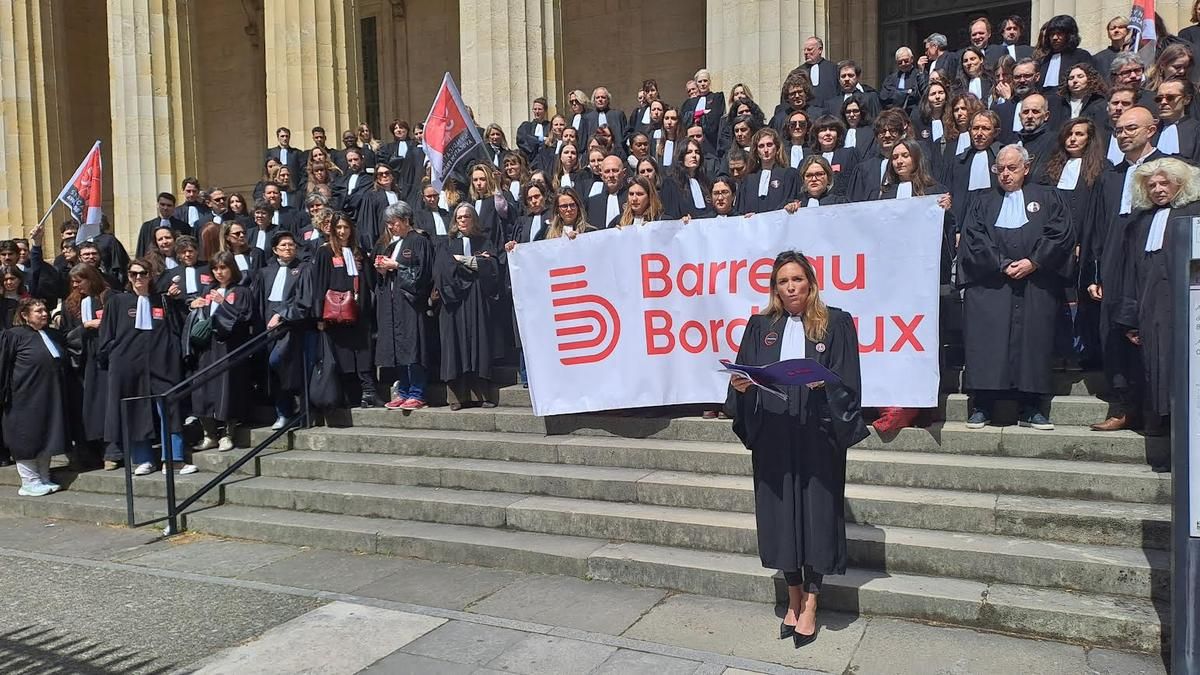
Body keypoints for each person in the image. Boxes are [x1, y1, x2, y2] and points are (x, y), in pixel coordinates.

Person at [725, 250, 867, 648]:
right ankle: (792, 595)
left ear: (811, 283)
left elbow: (849, 382)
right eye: (783, 281)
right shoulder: (760, 326)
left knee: (817, 515)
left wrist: (826, 384)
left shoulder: (836, 322)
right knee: (780, 515)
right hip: (773, 433)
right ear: (775, 287)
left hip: (818, 432)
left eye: (797, 280)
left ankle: (811, 603)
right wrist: (741, 387)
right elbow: (744, 374)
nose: (791, 288)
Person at [958, 145, 1073, 431]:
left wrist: (1034, 261)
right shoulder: (982, 201)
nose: (1005, 174)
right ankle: (983, 405)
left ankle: (1032, 407)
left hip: (1036, 282)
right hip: (991, 284)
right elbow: (974, 238)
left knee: (1034, 343)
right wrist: (1002, 263)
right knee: (987, 343)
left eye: (1012, 168)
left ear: (1026, 168)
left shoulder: (1048, 197)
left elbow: (1060, 233)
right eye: (1000, 169)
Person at [1117, 158, 1200, 448]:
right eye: (1151, 185)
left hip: (1187, 306)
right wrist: (1130, 319)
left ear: (1181, 183)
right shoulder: (1140, 222)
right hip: (1150, 307)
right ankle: (1160, 426)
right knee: (1155, 366)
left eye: (1164, 183)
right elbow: (1130, 271)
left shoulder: (1194, 213)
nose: (1158, 189)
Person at [98, 258, 196, 475]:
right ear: (128, 276)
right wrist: (116, 356)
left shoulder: (162, 300)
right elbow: (106, 336)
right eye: (133, 274)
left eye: (143, 273)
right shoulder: (117, 302)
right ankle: (143, 459)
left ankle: (173, 458)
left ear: (150, 276)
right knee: (135, 410)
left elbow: (178, 327)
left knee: (169, 408)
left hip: (162, 362)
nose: (138, 278)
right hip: (128, 364)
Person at [1, 297, 72, 496]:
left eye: (44, 310)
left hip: (50, 396)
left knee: (47, 435)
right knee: (27, 438)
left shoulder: (52, 334)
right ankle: (29, 481)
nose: (44, 314)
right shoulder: (13, 336)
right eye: (38, 311)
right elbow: (3, 366)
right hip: (23, 398)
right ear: (25, 315)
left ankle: (44, 476)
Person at [435, 204, 500, 409]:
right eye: (459, 217)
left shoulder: (485, 242)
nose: (463, 220)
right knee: (455, 346)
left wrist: (463, 261)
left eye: (467, 216)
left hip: (477, 299)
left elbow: (492, 266)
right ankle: (457, 398)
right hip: (454, 302)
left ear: (474, 219)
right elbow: (443, 270)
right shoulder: (446, 244)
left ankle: (481, 395)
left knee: (479, 343)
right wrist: (475, 265)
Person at [188, 251, 254, 452]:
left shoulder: (242, 291)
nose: (219, 272)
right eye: (215, 268)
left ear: (231, 268)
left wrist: (222, 303)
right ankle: (209, 434)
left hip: (229, 347)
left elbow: (244, 318)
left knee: (227, 389)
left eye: (223, 267)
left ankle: (227, 434)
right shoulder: (209, 289)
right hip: (207, 347)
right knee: (202, 388)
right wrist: (195, 305)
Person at [309, 213, 377, 409]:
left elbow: (370, 281)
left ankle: (368, 392)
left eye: (346, 227)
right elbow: (319, 283)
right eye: (338, 227)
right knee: (343, 352)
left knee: (363, 351)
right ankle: (349, 395)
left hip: (360, 310)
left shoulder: (359, 252)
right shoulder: (325, 252)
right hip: (337, 313)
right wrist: (319, 316)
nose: (342, 231)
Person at [373, 202, 436, 411]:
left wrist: (396, 265)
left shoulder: (419, 241)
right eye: (389, 223)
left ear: (406, 220)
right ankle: (403, 390)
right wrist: (383, 270)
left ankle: (417, 392)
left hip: (411, 303)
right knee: (398, 346)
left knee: (413, 346)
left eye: (394, 222)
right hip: (393, 303)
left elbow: (423, 274)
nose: (391, 227)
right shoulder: (394, 244)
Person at [255, 231, 313, 429]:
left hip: (292, 326)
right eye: (283, 245)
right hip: (269, 327)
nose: (288, 248)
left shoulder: (304, 269)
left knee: (280, 363)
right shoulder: (265, 272)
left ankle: (298, 404)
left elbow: (304, 300)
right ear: (275, 250)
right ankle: (282, 412)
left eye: (291, 245)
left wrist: (282, 314)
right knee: (274, 371)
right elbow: (260, 302)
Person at [739, 128, 800, 213]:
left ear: (777, 147)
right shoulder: (748, 180)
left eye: (769, 145)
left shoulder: (789, 175)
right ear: (756, 151)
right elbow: (741, 210)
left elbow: (792, 201)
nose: (766, 150)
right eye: (761, 146)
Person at [659, 139, 715, 219]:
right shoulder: (670, 183)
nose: (694, 155)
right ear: (681, 156)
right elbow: (670, 215)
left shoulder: (705, 182)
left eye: (697, 152)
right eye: (689, 152)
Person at [1152, 78, 1200, 162]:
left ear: (1186, 99)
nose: (1163, 102)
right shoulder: (1151, 130)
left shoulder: (1197, 130)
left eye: (1170, 97)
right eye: (1159, 99)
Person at [680, 69, 726, 149]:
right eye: (700, 81)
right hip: (692, 142)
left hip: (711, 143)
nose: (703, 84)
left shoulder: (717, 97)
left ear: (709, 82)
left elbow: (714, 119)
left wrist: (695, 116)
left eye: (705, 81)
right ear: (696, 84)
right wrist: (702, 113)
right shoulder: (689, 102)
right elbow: (684, 120)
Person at [586, 155, 629, 229]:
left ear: (624, 173)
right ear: (601, 175)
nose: (611, 175)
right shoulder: (592, 203)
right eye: (607, 171)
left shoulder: (632, 198)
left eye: (615, 171)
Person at [880, 46, 924, 115]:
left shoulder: (919, 75)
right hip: (894, 114)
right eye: (900, 62)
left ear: (912, 59)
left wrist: (896, 94)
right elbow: (884, 97)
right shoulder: (891, 78)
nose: (903, 64)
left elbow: (918, 95)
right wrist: (906, 93)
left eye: (906, 61)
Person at [1093, 16, 1131, 83]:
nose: (1116, 30)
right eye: (1112, 28)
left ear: (1127, 31)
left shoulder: (1135, 53)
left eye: (1120, 27)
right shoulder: (1098, 58)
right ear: (1108, 34)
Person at [803, 36, 839, 103]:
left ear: (820, 50)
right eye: (804, 50)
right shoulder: (798, 72)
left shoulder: (834, 69)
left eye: (809, 49)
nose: (805, 52)